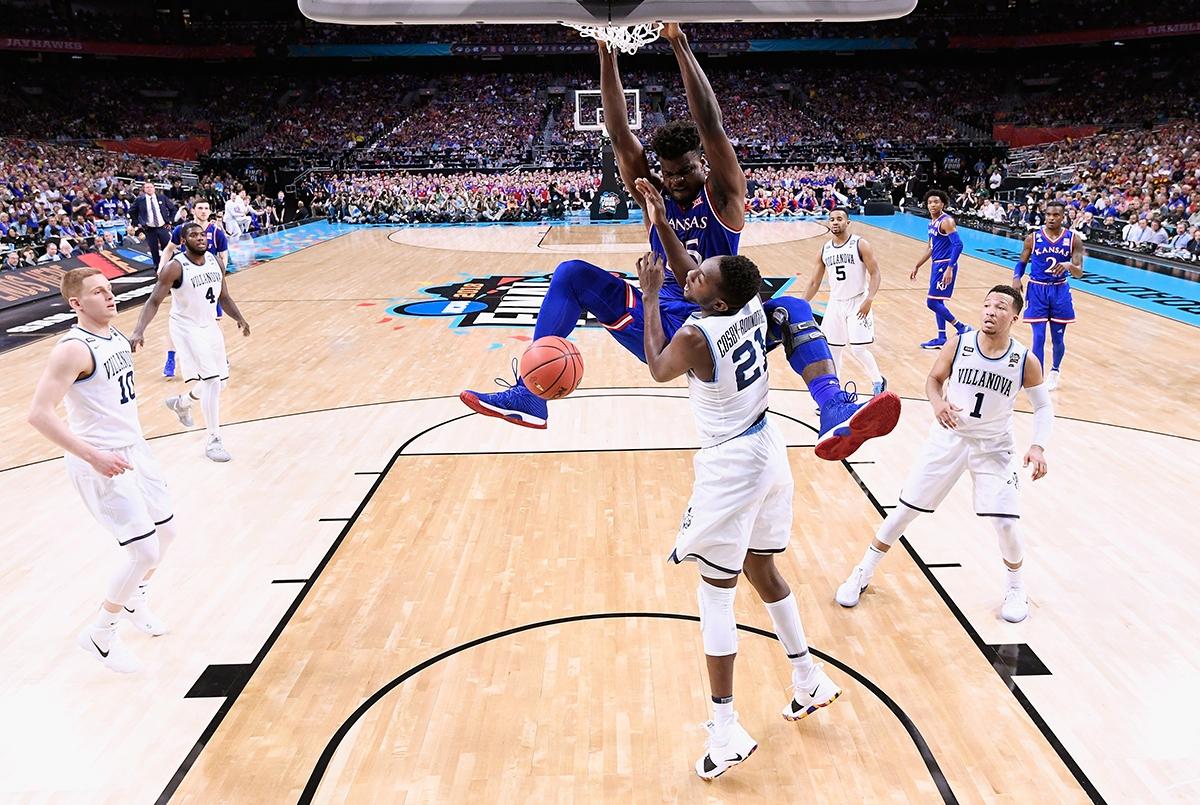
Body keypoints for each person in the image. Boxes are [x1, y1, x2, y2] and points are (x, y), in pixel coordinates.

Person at [460, 23, 900, 461]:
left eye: (684, 171)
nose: (674, 181)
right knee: (571, 274)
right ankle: (530, 394)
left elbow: (710, 123)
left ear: (703, 164)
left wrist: (678, 41)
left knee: (797, 311)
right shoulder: (655, 192)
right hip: (663, 313)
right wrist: (606, 52)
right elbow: (619, 135)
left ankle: (833, 408)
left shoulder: (724, 196)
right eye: (668, 174)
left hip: (720, 316)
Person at [636, 250, 841, 780]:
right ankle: (808, 678)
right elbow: (706, 278)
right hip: (768, 446)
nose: (693, 270)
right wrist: (660, 219)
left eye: (702, 273)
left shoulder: (695, 337)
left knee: (714, 593)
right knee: (762, 569)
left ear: (718, 299)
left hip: (730, 463)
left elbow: (659, 369)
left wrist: (653, 294)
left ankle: (724, 730)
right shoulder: (750, 307)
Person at [835, 286, 1053, 623]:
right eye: (986, 305)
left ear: (1015, 317)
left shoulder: (1025, 360)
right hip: (948, 440)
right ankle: (862, 571)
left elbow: (1043, 407)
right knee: (905, 511)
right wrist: (937, 403)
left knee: (1006, 523)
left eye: (1000, 307)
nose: (990, 311)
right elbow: (934, 380)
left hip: (994, 447)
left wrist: (1037, 445)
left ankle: (1015, 588)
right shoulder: (959, 344)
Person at [27, 268, 178, 673]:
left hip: (133, 449)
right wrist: (93, 456)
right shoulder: (72, 349)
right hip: (99, 460)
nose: (110, 297)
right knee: (143, 549)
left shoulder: (114, 336)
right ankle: (101, 633)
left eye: (110, 289)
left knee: (167, 531)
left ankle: (133, 597)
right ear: (76, 303)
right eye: (98, 292)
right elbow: (39, 415)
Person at [130, 222, 250, 462]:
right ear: (184, 241)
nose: (200, 238)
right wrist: (138, 330)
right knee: (212, 381)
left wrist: (239, 318)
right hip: (186, 328)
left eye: (202, 234)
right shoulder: (175, 267)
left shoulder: (216, 262)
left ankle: (182, 402)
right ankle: (214, 439)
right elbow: (154, 301)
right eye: (193, 235)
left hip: (209, 326)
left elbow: (224, 296)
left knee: (219, 384)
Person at [801, 207, 886, 395]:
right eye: (832, 219)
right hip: (836, 303)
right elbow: (814, 282)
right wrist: (802, 303)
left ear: (848, 222)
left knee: (858, 349)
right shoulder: (825, 249)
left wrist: (869, 299)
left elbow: (875, 273)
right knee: (833, 350)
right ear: (828, 223)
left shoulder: (860, 244)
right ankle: (835, 393)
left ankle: (878, 382)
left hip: (858, 301)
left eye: (839, 219)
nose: (835, 222)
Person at [1012, 200, 1084, 391]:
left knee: (1058, 338)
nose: (1051, 218)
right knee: (1038, 336)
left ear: (1063, 217)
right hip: (1037, 289)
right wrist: (1016, 277)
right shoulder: (1032, 238)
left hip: (1060, 290)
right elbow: (1021, 261)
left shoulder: (1074, 240)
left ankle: (1054, 371)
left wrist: (1069, 266)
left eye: (1056, 215)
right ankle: (1037, 377)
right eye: (1049, 214)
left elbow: (1079, 272)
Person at [158, 200, 233, 377]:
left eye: (207, 208)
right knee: (178, 320)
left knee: (212, 321)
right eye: (200, 208)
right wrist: (161, 268)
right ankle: (170, 358)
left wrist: (220, 278)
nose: (204, 211)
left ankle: (218, 354)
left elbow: (223, 256)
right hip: (187, 281)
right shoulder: (181, 230)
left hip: (208, 283)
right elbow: (169, 250)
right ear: (193, 211)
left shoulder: (216, 232)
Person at [911, 189, 971, 349]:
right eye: (930, 202)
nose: (932, 205)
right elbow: (930, 248)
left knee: (931, 302)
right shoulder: (931, 223)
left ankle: (962, 328)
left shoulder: (947, 221)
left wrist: (950, 268)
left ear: (943, 204)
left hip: (945, 264)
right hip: (936, 264)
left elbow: (958, 245)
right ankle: (941, 337)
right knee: (938, 301)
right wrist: (917, 265)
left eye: (936, 202)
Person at [131, 181, 175, 270]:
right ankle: (158, 268)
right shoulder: (140, 200)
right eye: (147, 187)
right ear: (144, 189)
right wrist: (138, 223)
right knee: (154, 249)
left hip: (162, 227)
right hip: (149, 228)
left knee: (167, 247)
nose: (149, 189)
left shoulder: (162, 197)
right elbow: (132, 211)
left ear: (154, 188)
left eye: (151, 187)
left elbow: (173, 209)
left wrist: (170, 220)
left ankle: (172, 266)